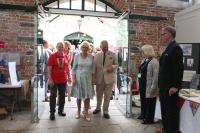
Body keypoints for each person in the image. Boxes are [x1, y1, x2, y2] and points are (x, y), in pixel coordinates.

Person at [156, 26, 184, 133]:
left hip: (170, 87)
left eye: (163, 34)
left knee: (171, 111)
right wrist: (159, 87)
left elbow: (178, 69)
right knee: (164, 110)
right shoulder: (168, 48)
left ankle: (172, 130)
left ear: (169, 35)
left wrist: (175, 86)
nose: (161, 36)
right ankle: (166, 129)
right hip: (164, 86)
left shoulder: (175, 48)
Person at [93, 40, 118, 119]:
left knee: (107, 95)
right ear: (100, 47)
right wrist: (93, 77)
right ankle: (98, 108)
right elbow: (94, 67)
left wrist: (112, 67)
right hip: (99, 78)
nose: (105, 48)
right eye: (103, 46)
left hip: (109, 78)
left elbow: (117, 64)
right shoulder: (97, 55)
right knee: (99, 94)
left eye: (106, 46)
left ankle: (106, 111)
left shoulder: (113, 54)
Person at [71, 41, 95, 121]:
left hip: (88, 78)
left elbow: (93, 69)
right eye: (83, 47)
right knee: (79, 96)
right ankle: (78, 111)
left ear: (88, 48)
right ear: (81, 48)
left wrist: (93, 78)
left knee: (87, 96)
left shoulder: (91, 56)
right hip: (79, 78)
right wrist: (73, 78)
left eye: (86, 47)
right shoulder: (77, 56)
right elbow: (73, 68)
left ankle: (86, 112)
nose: (84, 48)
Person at [48, 42, 69, 120]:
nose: (61, 48)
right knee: (53, 96)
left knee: (62, 96)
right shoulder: (52, 56)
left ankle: (60, 111)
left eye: (62, 47)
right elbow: (49, 69)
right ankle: (52, 113)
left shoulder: (66, 56)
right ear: (56, 47)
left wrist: (69, 76)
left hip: (63, 80)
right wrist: (50, 79)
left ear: (64, 48)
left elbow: (67, 68)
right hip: (54, 80)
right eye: (59, 46)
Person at [139, 45, 159, 124]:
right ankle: (143, 114)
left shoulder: (154, 62)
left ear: (147, 52)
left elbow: (156, 75)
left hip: (149, 85)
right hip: (142, 84)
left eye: (143, 52)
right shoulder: (144, 60)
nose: (142, 53)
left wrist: (153, 87)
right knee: (143, 101)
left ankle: (149, 118)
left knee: (150, 103)